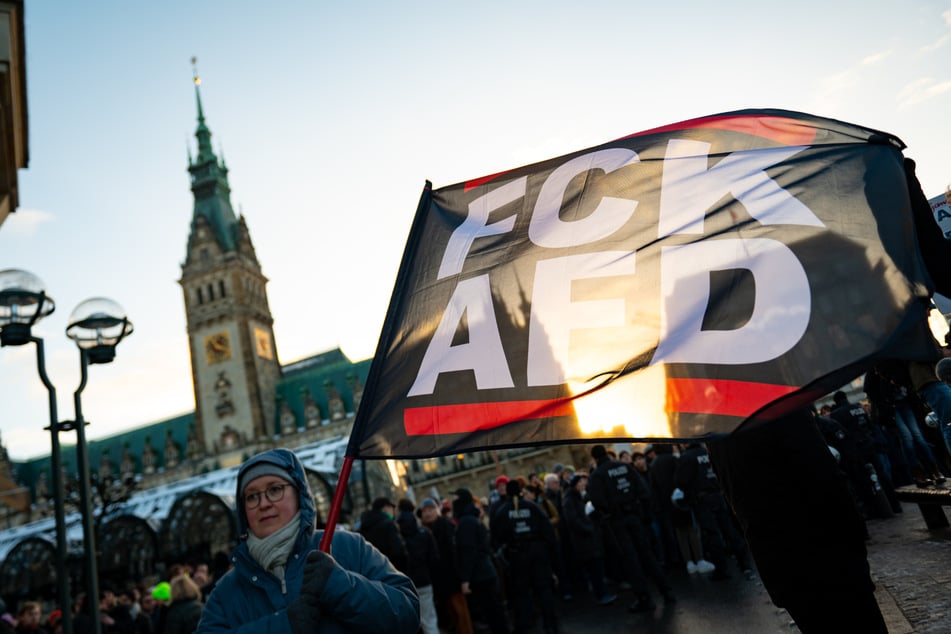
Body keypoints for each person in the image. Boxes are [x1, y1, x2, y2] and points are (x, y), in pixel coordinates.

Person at [196, 447, 419, 633]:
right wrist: (283, 626)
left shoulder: (347, 547)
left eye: (275, 490)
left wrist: (342, 586)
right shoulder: (227, 591)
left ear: (299, 495)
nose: (263, 503)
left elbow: (407, 613)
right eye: (252, 496)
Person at [587, 444, 675, 613]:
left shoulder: (597, 475)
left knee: (631, 561)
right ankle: (667, 592)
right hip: (635, 517)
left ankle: (645, 599)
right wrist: (645, 515)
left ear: (595, 458)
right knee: (648, 555)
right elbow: (643, 491)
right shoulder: (624, 467)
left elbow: (597, 501)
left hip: (616, 522)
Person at [673, 442, 753, 580]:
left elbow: (680, 480)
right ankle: (744, 563)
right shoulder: (707, 452)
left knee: (712, 534)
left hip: (702, 500)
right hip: (718, 495)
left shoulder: (687, 457)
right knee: (729, 530)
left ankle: (722, 570)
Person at [491, 479, 560, 634]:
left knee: (522, 593)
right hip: (537, 552)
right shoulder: (532, 507)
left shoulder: (503, 511)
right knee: (544, 589)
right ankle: (550, 624)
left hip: (517, 555)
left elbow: (496, 536)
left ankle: (526, 625)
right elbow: (547, 530)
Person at [452, 488, 509, 634]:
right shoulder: (472, 519)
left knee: (493, 614)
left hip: (481, 575)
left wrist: (465, 579)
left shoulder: (466, 522)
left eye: (456, 498)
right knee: (495, 612)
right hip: (485, 572)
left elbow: (468, 551)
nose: (453, 502)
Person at [559, 471, 617, 606]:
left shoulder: (580, 497)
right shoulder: (569, 499)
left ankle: (602, 592)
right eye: (579, 482)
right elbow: (572, 520)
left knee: (597, 566)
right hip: (584, 540)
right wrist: (588, 528)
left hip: (590, 538)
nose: (583, 484)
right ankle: (601, 594)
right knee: (594, 568)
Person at [418, 498, 473, 634]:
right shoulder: (423, 531)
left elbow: (454, 553)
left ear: (437, 510)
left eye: (431, 510)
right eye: (425, 511)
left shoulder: (445, 525)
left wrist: (462, 578)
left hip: (452, 580)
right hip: (439, 583)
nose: (428, 513)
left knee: (461, 615)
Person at [395, 499, 439, 634]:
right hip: (424, 580)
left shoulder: (396, 534)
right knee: (429, 618)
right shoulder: (423, 532)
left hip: (404, 582)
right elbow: (434, 558)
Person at [359, 497, 410, 572]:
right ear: (385, 508)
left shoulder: (363, 527)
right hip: (392, 570)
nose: (393, 512)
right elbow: (398, 552)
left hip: (373, 572)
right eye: (392, 508)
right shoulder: (388, 525)